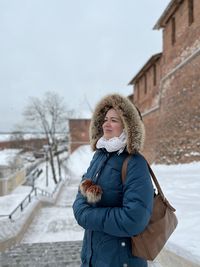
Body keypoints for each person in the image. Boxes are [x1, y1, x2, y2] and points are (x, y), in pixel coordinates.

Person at [73, 94, 154, 267]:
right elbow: (81, 191)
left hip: (120, 261)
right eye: (105, 119)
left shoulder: (135, 163)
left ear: (128, 126)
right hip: (91, 258)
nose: (106, 124)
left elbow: (134, 219)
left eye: (114, 120)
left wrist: (87, 215)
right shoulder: (99, 156)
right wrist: (81, 209)